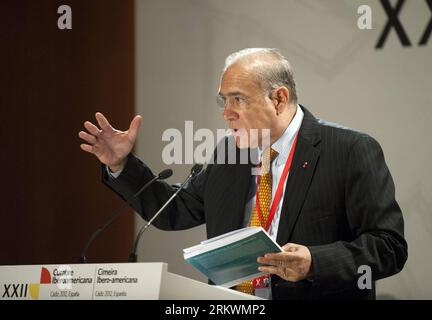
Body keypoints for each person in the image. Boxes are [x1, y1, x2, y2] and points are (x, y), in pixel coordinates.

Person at [79, 48, 407, 300]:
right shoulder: (229, 153)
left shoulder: (349, 150)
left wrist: (314, 262)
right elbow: (174, 211)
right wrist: (121, 165)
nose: (226, 113)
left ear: (279, 99)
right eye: (223, 100)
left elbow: (388, 246)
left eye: (238, 99)